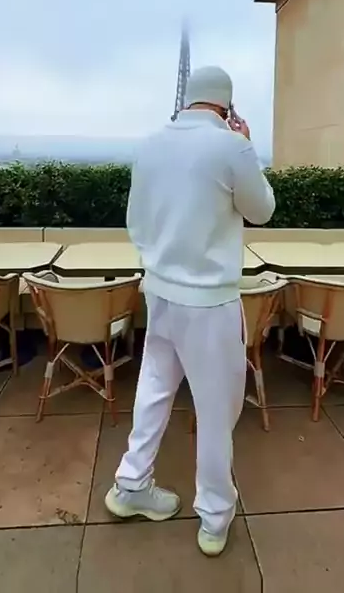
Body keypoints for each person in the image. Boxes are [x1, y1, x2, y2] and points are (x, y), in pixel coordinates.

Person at [105, 66, 275, 556]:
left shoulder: (150, 145)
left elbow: (136, 222)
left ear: (187, 101)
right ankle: (215, 517)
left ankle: (132, 484)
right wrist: (246, 144)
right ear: (226, 107)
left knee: (154, 389)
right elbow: (262, 210)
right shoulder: (232, 147)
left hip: (159, 292)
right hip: (209, 303)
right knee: (217, 411)